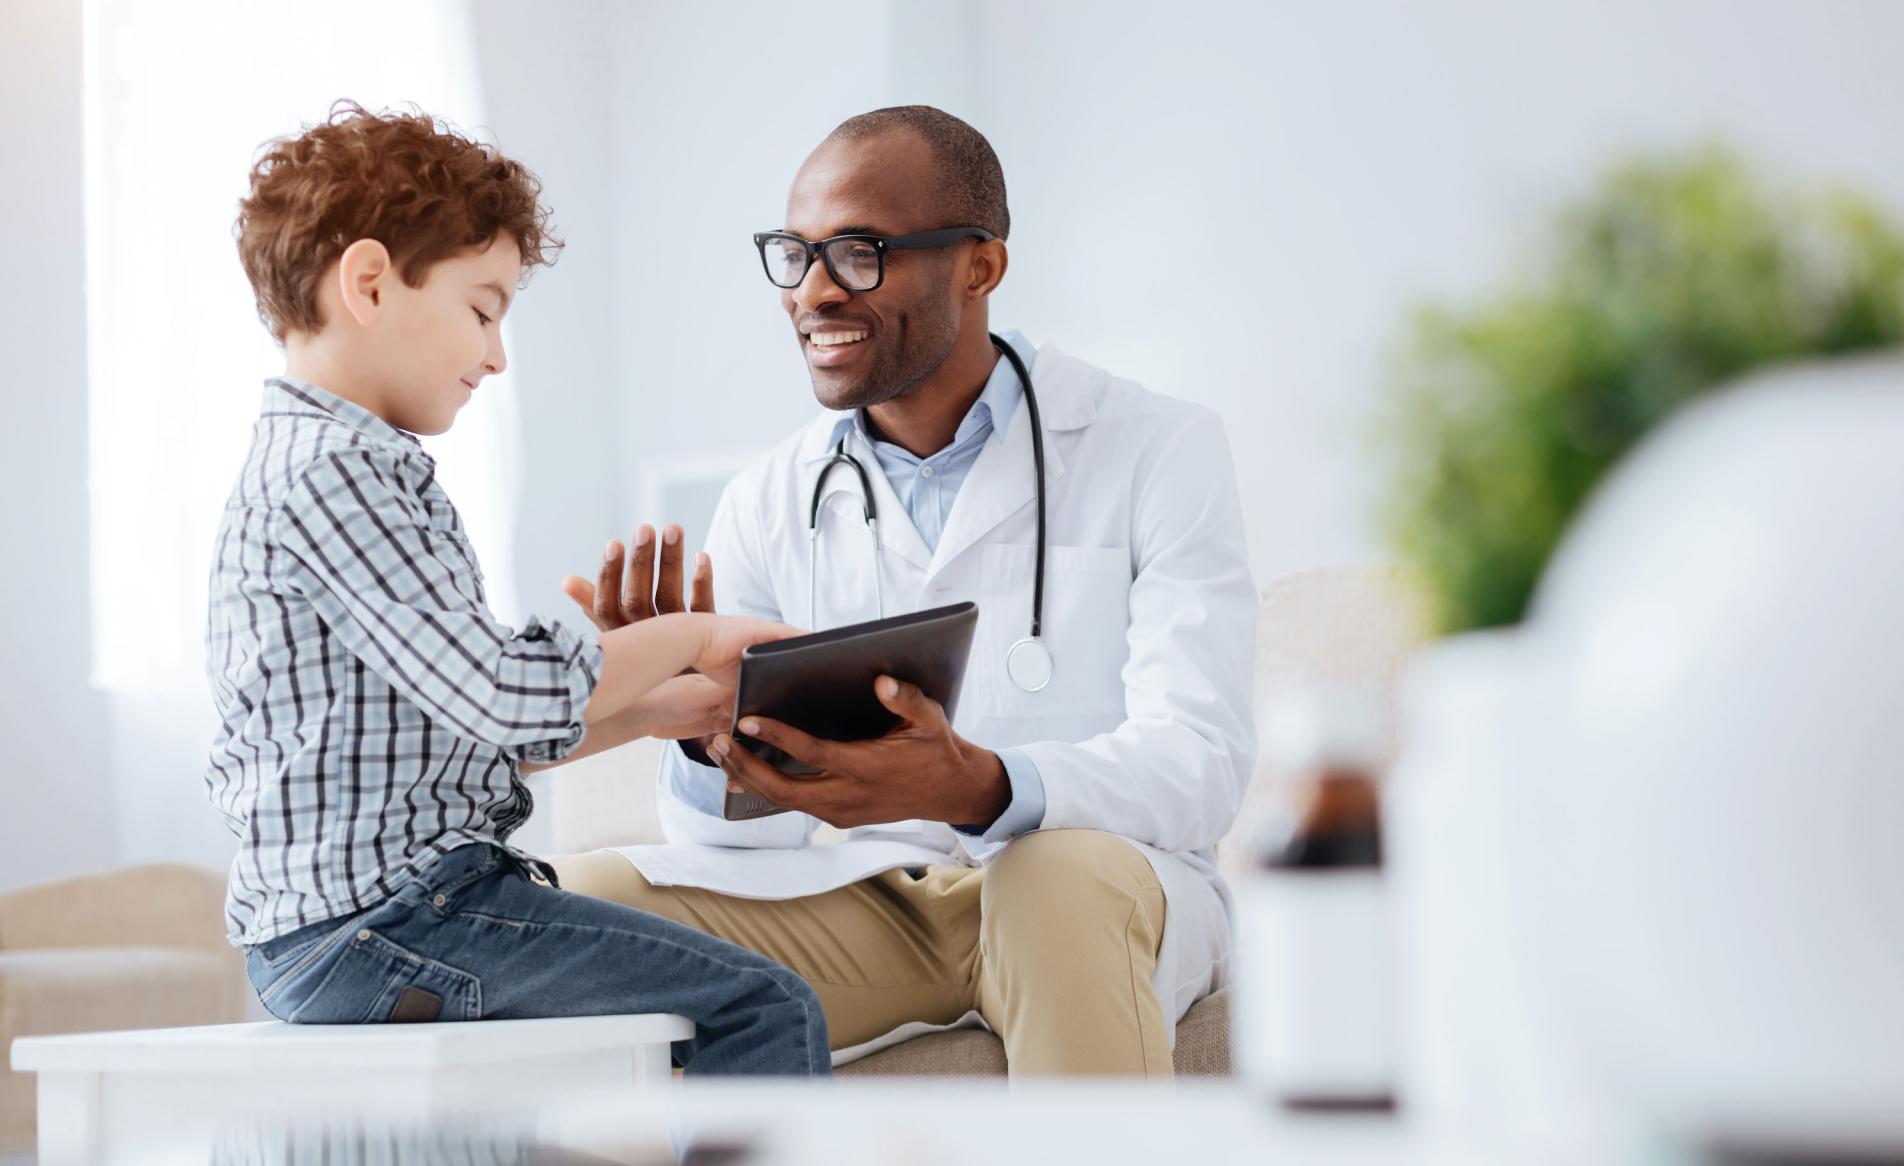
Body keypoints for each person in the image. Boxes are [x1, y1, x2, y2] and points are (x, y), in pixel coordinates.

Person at [552, 106, 1255, 1075]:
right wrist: (694, 725)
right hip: (873, 900)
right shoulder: (769, 496)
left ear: (981, 264)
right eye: (794, 255)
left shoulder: (1158, 448)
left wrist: (984, 784)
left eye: (858, 251)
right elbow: (730, 838)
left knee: (1048, 880)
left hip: (1096, 878)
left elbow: (1199, 761)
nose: (814, 291)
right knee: (572, 905)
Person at [205, 104, 828, 1076]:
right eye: (484, 309)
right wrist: (696, 633)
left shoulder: (334, 464)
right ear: (369, 282)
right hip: (386, 921)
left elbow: (462, 735)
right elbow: (501, 692)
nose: (496, 356)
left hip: (355, 924)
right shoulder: (340, 472)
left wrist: (663, 711)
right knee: (760, 1006)